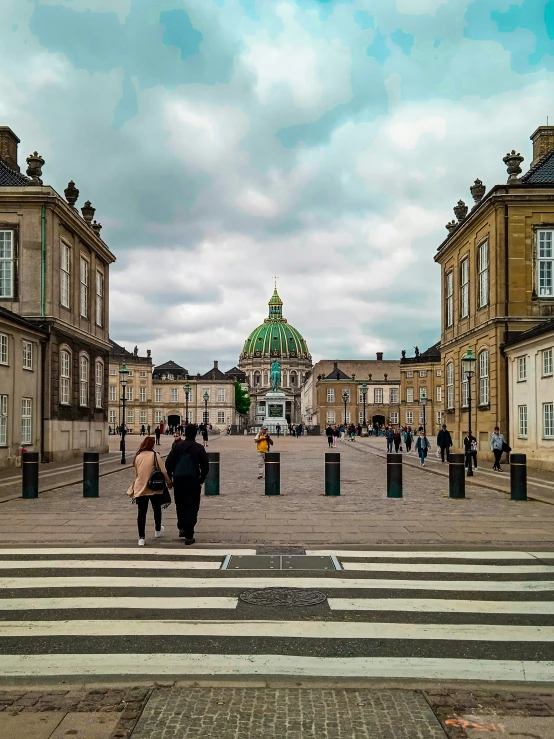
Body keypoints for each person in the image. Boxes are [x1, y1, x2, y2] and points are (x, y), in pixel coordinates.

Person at [165, 425, 209, 545]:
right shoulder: (199, 448)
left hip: (179, 480)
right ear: (196, 434)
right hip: (193, 480)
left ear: (184, 433)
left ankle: (182, 526)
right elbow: (205, 466)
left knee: (180, 504)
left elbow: (168, 463)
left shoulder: (177, 446)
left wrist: (170, 477)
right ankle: (189, 534)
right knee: (192, 506)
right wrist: (201, 480)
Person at [127, 436, 172, 546]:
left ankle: (141, 538)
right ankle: (157, 529)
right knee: (156, 509)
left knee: (142, 512)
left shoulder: (138, 456)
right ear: (152, 445)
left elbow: (137, 473)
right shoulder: (155, 455)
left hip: (140, 487)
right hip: (153, 487)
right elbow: (163, 470)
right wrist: (168, 482)